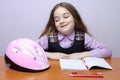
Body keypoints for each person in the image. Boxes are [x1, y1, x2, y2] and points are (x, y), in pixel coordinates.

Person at [36, 2, 112, 60]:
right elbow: (27, 49)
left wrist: (82, 55)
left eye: (66, 17)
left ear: (75, 18)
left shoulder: (83, 37)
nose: (61, 21)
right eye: (57, 20)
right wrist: (48, 55)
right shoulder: (48, 38)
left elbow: (107, 51)